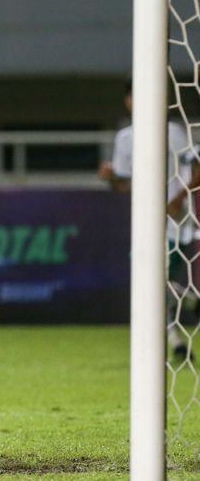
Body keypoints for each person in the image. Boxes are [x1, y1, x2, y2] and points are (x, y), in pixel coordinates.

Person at [98, 81, 200, 362]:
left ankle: (177, 332)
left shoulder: (173, 132)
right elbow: (124, 185)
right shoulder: (125, 139)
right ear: (128, 102)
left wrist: (178, 197)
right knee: (150, 284)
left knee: (155, 283)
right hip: (144, 222)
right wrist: (111, 178)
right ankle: (180, 332)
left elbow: (196, 170)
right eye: (133, 98)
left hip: (175, 222)